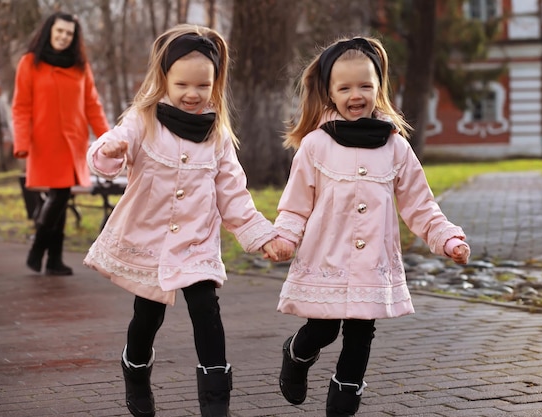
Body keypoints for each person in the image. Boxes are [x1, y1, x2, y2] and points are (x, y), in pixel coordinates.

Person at [83, 24, 287, 417]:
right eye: (182, 84)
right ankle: (136, 367)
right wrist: (111, 147)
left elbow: (233, 195)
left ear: (215, 83)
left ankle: (216, 401)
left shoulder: (218, 136)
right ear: (164, 80)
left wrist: (262, 237)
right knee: (148, 314)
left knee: (205, 307)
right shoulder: (142, 121)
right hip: (150, 240)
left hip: (196, 240)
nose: (193, 94)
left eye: (203, 85)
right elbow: (104, 160)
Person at [272, 36, 471, 417]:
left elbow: (419, 203)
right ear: (330, 92)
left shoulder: (395, 147)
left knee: (362, 331)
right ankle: (296, 353)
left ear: (378, 88)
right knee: (325, 329)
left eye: (365, 85)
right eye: (345, 87)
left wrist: (447, 238)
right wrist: (283, 239)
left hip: (371, 262)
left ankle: (346, 395)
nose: (356, 94)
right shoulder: (315, 146)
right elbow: (296, 206)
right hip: (327, 259)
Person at [12, 11, 110, 276]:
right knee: (60, 194)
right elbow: (21, 106)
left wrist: (107, 138)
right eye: (59, 32)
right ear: (49, 32)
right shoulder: (29, 63)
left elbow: (92, 105)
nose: (63, 37)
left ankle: (52, 258)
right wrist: (21, 142)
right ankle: (42, 250)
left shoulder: (80, 66)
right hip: (45, 143)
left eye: (69, 33)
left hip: (73, 142)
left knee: (61, 193)